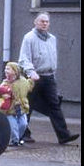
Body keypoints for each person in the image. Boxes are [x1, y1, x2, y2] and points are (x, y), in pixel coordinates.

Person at [18, 12, 79, 144]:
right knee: (28, 106)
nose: (45, 24)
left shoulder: (52, 38)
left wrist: (53, 74)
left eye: (47, 21)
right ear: (35, 22)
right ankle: (22, 134)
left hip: (49, 76)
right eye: (42, 21)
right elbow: (24, 58)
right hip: (34, 77)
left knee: (54, 105)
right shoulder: (29, 38)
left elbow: (52, 58)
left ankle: (63, 135)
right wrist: (31, 72)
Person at [0, 62, 33, 146]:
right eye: (5, 69)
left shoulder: (23, 82)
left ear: (15, 71)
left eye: (8, 69)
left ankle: (16, 138)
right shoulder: (5, 83)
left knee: (23, 124)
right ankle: (14, 140)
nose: (6, 70)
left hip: (21, 107)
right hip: (9, 109)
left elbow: (29, 86)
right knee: (13, 126)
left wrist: (32, 79)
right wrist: (1, 95)